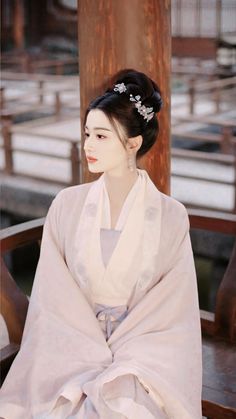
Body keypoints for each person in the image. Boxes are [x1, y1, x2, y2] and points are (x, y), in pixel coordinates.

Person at [0, 69, 202, 418]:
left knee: (127, 403)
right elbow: (53, 295)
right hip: (70, 343)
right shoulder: (67, 205)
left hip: (145, 349)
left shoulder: (170, 215)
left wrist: (122, 357)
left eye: (101, 136)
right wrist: (90, 350)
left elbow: (172, 309)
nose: (88, 146)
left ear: (133, 143)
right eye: (87, 134)